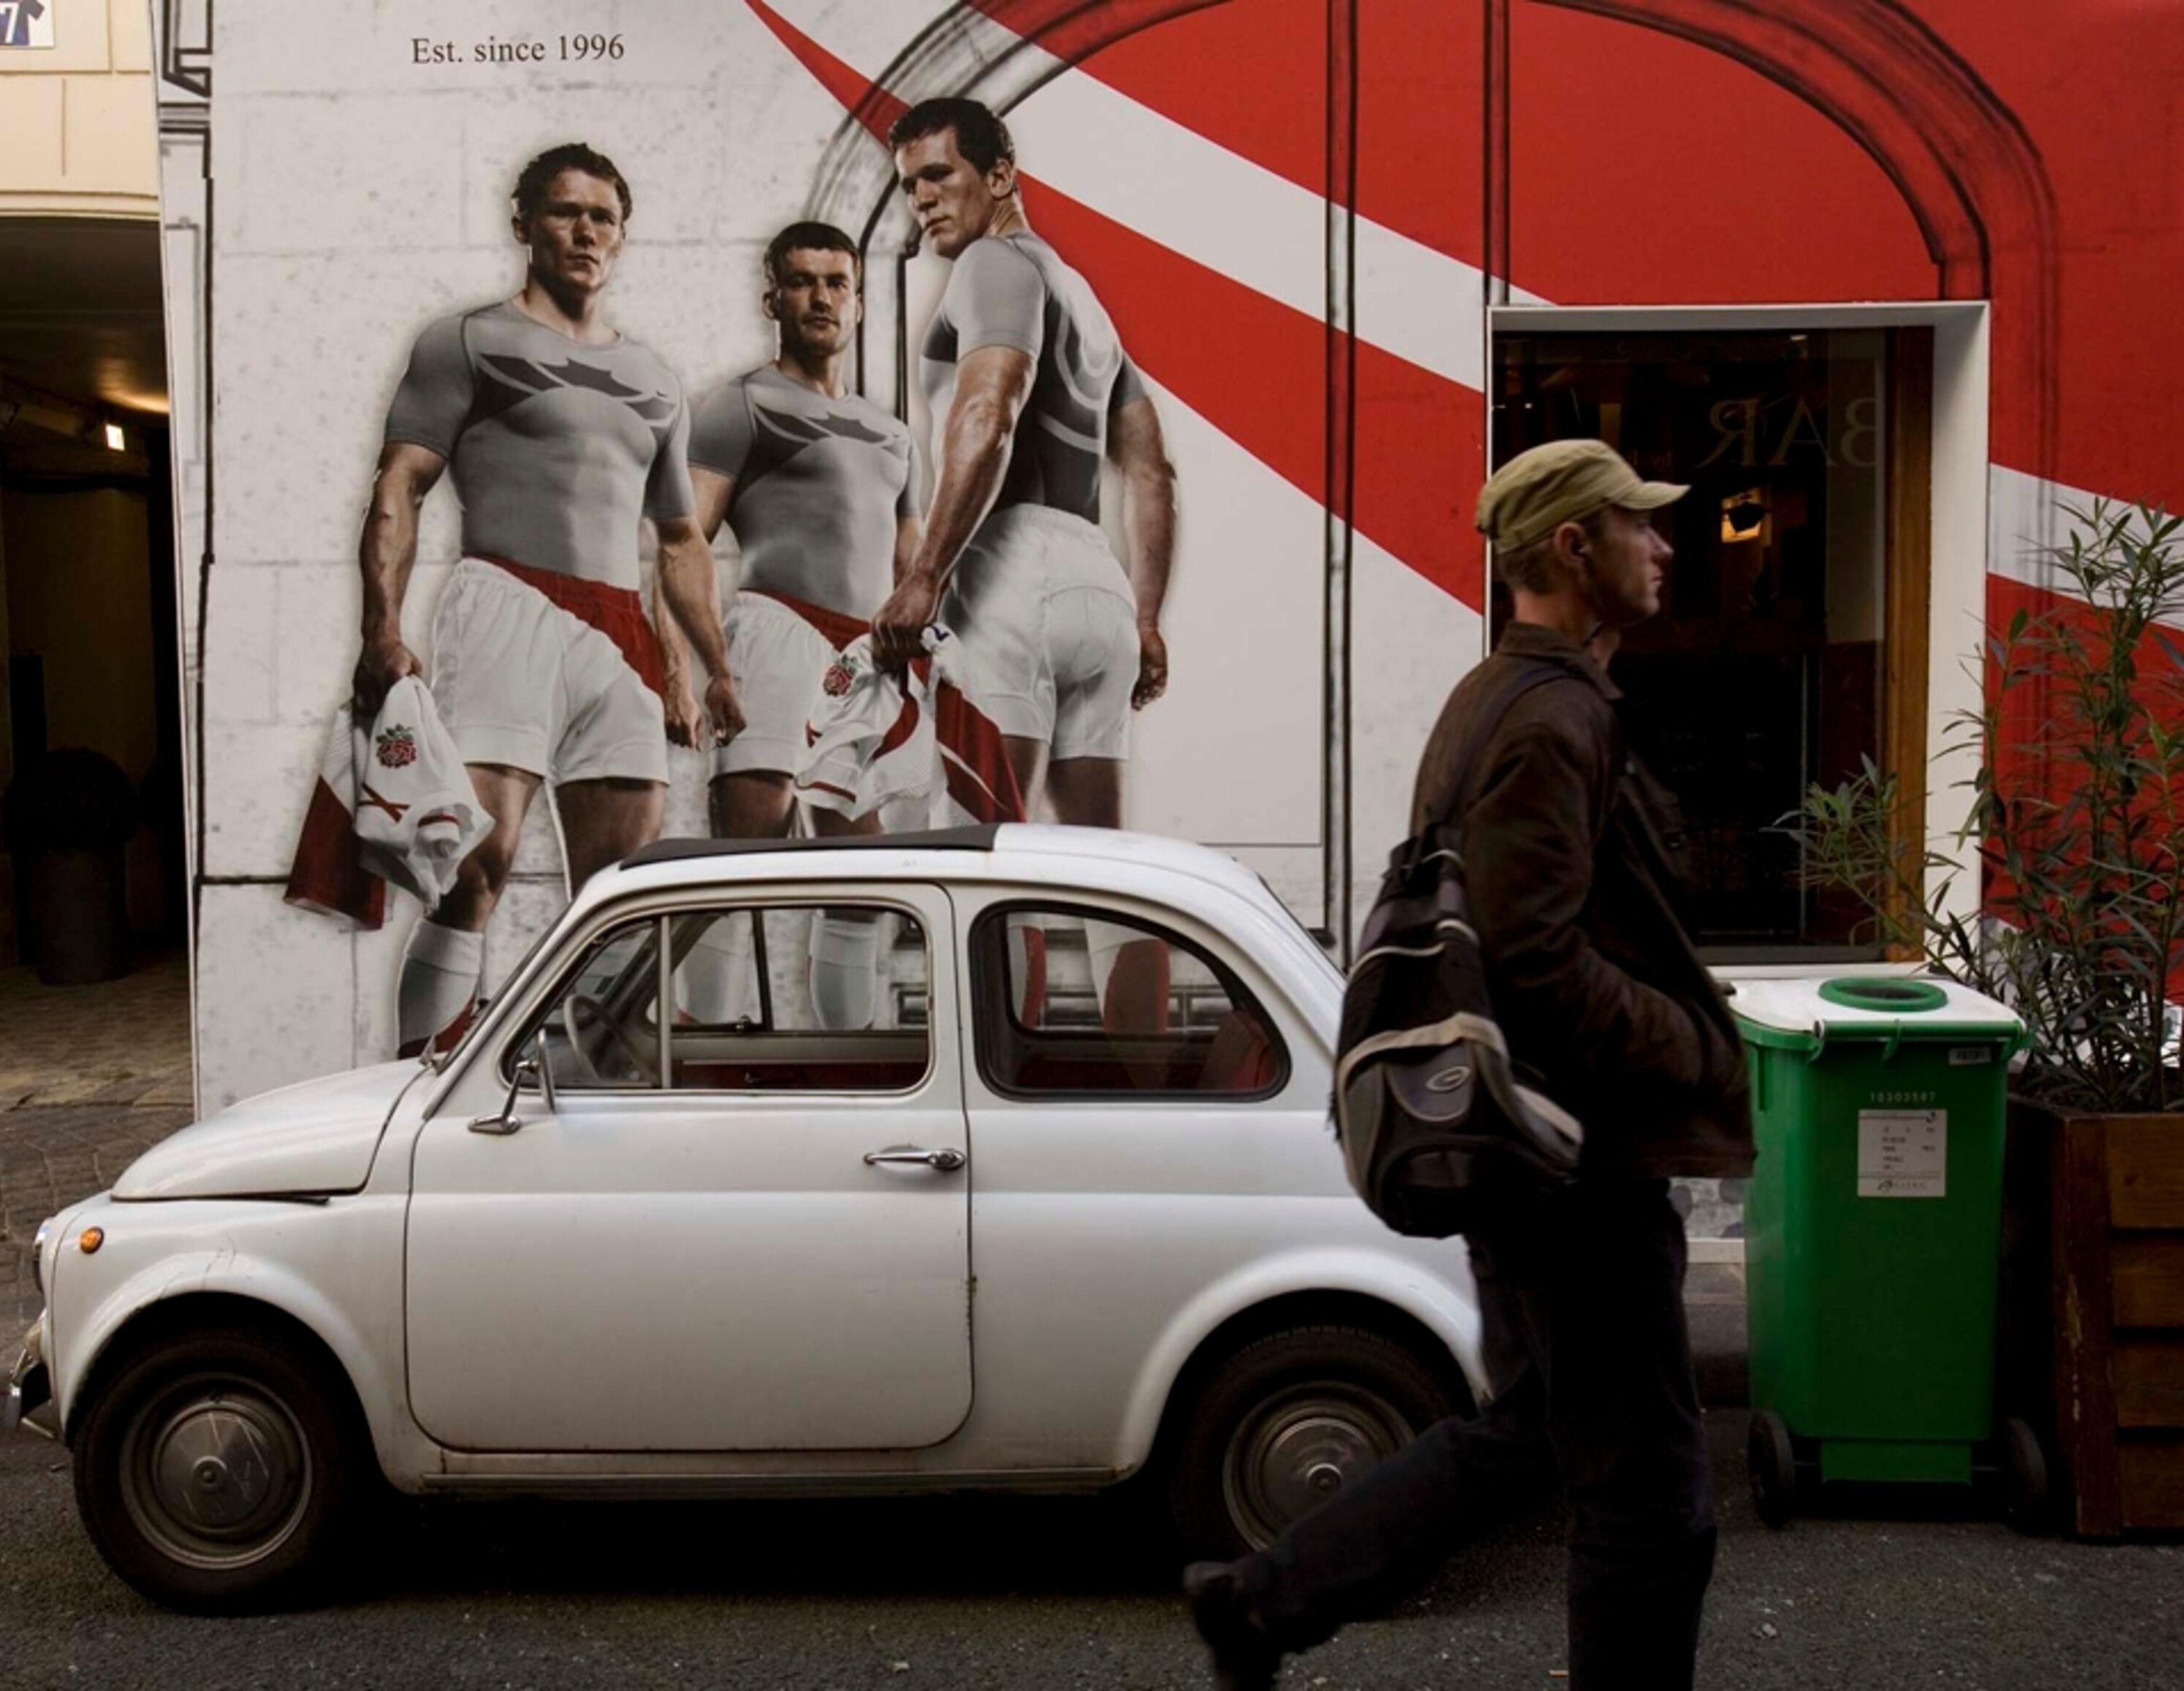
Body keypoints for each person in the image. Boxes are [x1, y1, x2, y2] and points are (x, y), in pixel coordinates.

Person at [1182, 438, 1754, 1691]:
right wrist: (1693, 1044)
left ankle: (1263, 1598)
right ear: (1572, 546)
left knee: (1540, 1429)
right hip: (1580, 1162)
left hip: (1531, 1153)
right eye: (1637, 526)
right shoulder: (1547, 719)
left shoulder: (1498, 695)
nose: (1661, 547)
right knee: (1653, 1504)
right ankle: (1260, 1601)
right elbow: (1535, 955)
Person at [350, 142, 742, 1058]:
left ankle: (599, 1087)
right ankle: (416, 1085)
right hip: (507, 603)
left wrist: (705, 671)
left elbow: (679, 542)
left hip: (620, 635)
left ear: (622, 237)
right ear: (524, 225)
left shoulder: (655, 378)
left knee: (621, 891)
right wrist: (382, 625)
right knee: (474, 867)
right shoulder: (469, 340)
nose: (585, 231)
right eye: (565, 212)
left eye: (603, 217)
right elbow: (399, 487)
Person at [872, 96, 1175, 830]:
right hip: (1097, 589)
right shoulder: (1088, 302)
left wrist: (925, 576)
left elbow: (989, 412)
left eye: (940, 176)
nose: (922, 200)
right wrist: (1144, 618)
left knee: (983, 856)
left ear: (1002, 175)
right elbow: (1153, 472)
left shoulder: (992, 263)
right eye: (911, 185)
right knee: (1104, 880)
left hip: (1008, 573)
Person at [686, 221, 921, 842]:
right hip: (777, 634)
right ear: (773, 301)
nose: (821, 298)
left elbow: (916, 573)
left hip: (867, 658)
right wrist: (709, 669)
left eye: (837, 284)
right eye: (802, 283)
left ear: (859, 304)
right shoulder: (740, 404)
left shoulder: (894, 434)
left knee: (866, 880)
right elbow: (681, 547)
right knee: (744, 865)